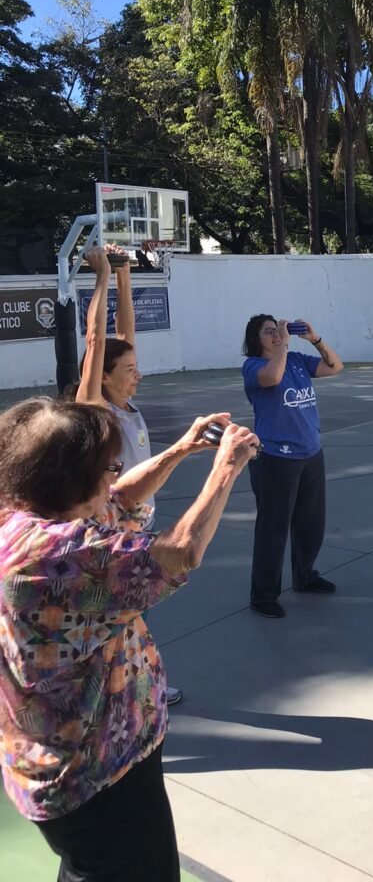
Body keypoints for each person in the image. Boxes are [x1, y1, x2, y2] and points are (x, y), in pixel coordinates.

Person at [0, 397, 259, 882]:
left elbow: (117, 502)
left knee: (88, 869)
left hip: (68, 767)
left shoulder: (23, 519)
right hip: (99, 775)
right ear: (74, 480)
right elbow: (178, 553)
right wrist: (227, 466)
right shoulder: (61, 558)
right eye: (108, 467)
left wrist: (181, 449)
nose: (113, 477)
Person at [76, 244, 183, 704]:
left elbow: (123, 335)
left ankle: (128, 686)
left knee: (132, 615)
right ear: (103, 377)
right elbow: (98, 341)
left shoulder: (126, 402)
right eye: (129, 370)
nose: (138, 375)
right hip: (109, 532)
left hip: (139, 525)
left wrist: (123, 274)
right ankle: (121, 691)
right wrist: (99, 278)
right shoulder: (95, 410)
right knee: (118, 617)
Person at [242, 314, 344, 618]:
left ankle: (305, 574)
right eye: (269, 332)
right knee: (273, 529)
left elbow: (335, 367)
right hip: (275, 459)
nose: (276, 335)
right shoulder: (253, 367)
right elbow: (272, 378)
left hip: (311, 454)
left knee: (311, 524)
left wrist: (315, 339)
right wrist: (284, 345)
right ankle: (263, 595)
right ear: (255, 340)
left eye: (278, 330)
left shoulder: (298, 359)